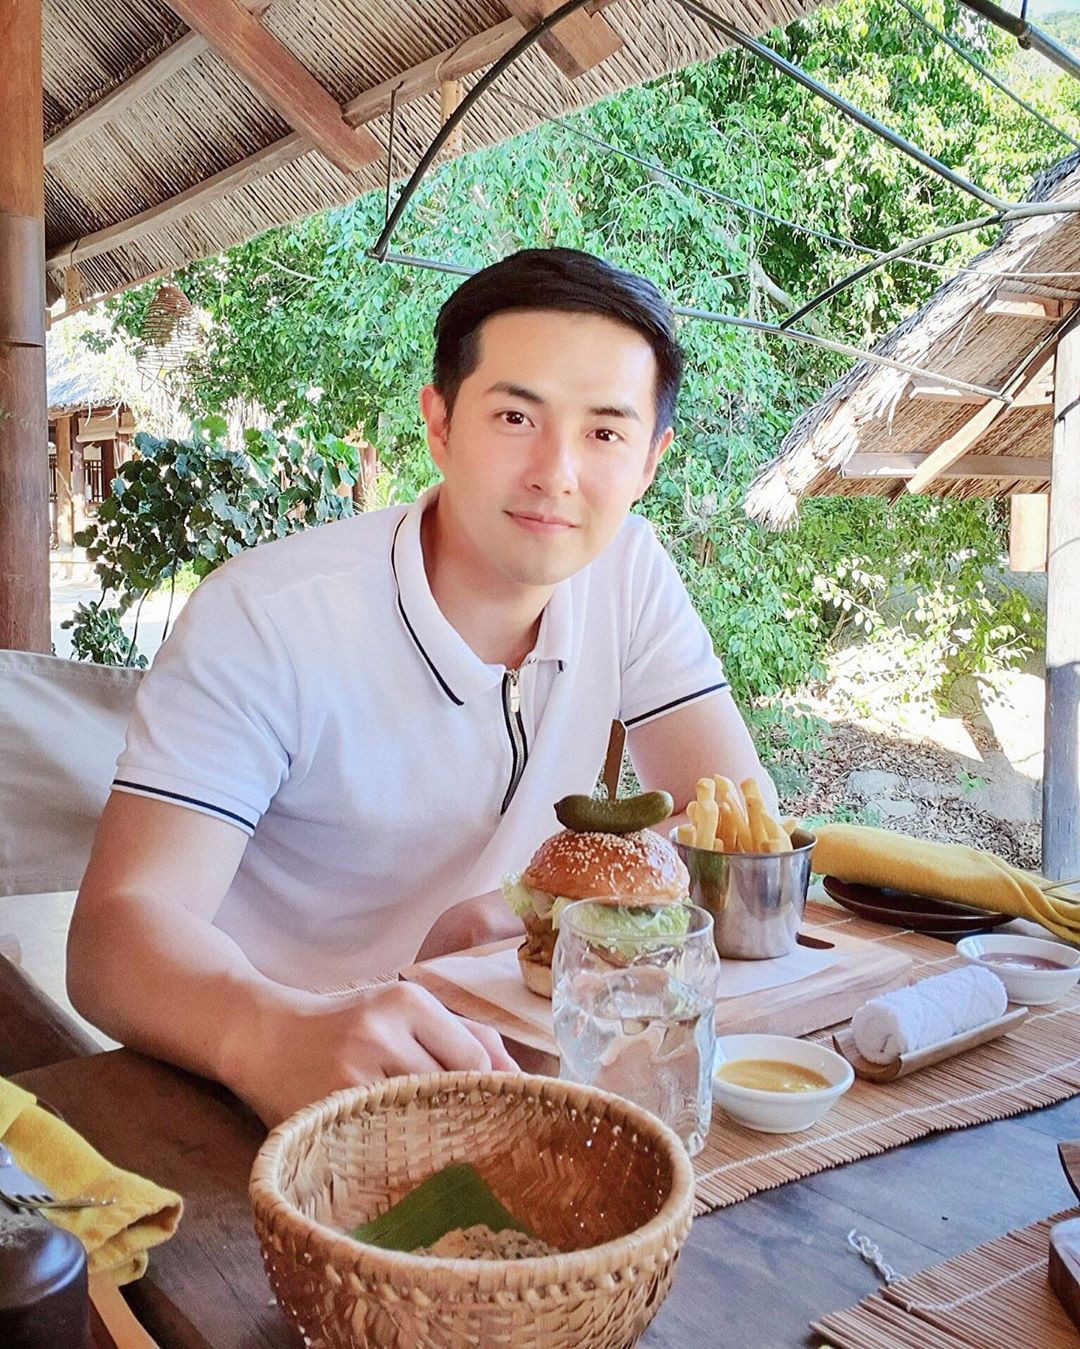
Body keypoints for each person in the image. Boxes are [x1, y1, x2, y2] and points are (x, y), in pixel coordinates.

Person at [67, 248, 776, 1125]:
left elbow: (732, 825)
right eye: (515, 416)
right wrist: (271, 1031)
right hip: (267, 1092)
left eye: (604, 433)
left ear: (650, 461)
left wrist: (540, 909)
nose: (556, 471)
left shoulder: (628, 571)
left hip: (522, 1073)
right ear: (439, 424)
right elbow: (115, 935)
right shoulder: (265, 618)